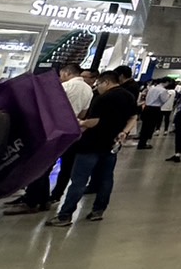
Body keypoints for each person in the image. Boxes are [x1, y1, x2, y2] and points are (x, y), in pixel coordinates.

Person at [47, 70, 138, 227]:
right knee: (106, 179)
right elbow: (134, 117)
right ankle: (98, 211)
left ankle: (65, 215)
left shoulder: (102, 98)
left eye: (99, 84)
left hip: (91, 144)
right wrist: (124, 132)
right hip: (112, 144)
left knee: (79, 180)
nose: (97, 87)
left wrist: (81, 123)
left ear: (106, 82)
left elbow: (95, 121)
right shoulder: (129, 96)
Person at [5, 63, 92, 215]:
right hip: (70, 130)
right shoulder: (88, 90)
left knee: (38, 165)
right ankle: (43, 199)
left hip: (52, 129)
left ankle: (31, 201)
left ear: (66, 73)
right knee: (49, 165)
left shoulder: (64, 87)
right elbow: (83, 114)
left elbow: (46, 106)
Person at [136, 80, 167, 149]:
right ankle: (144, 143)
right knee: (150, 127)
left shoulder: (151, 88)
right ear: (167, 82)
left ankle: (141, 142)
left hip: (147, 108)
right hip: (154, 109)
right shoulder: (163, 90)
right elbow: (164, 100)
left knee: (144, 126)